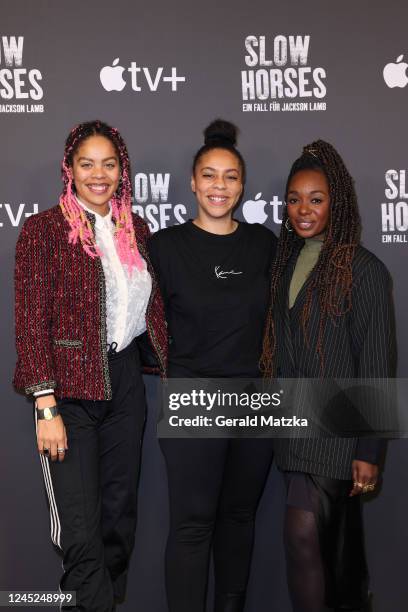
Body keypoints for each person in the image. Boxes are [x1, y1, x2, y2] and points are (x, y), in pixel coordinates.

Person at [13, 120, 167, 612]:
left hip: (123, 385)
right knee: (79, 531)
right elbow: (31, 320)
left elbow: (152, 310)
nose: (98, 174)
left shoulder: (136, 230)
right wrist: (44, 404)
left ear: (123, 170)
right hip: (67, 394)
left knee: (118, 520)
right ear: (70, 170)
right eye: (87, 164)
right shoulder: (44, 230)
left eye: (109, 164)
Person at [260, 140, 397, 612]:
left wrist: (369, 449)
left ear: (335, 202)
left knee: (303, 535)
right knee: (325, 549)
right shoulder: (282, 265)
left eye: (316, 199)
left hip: (338, 435)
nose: (303, 209)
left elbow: (378, 363)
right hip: (292, 431)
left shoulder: (365, 270)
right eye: (294, 199)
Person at [148, 119, 277, 612]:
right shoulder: (164, 247)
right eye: (209, 175)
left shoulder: (264, 244)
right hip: (192, 396)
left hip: (256, 399)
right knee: (192, 524)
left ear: (242, 185)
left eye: (229, 176)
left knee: (239, 517)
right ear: (193, 181)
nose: (219, 186)